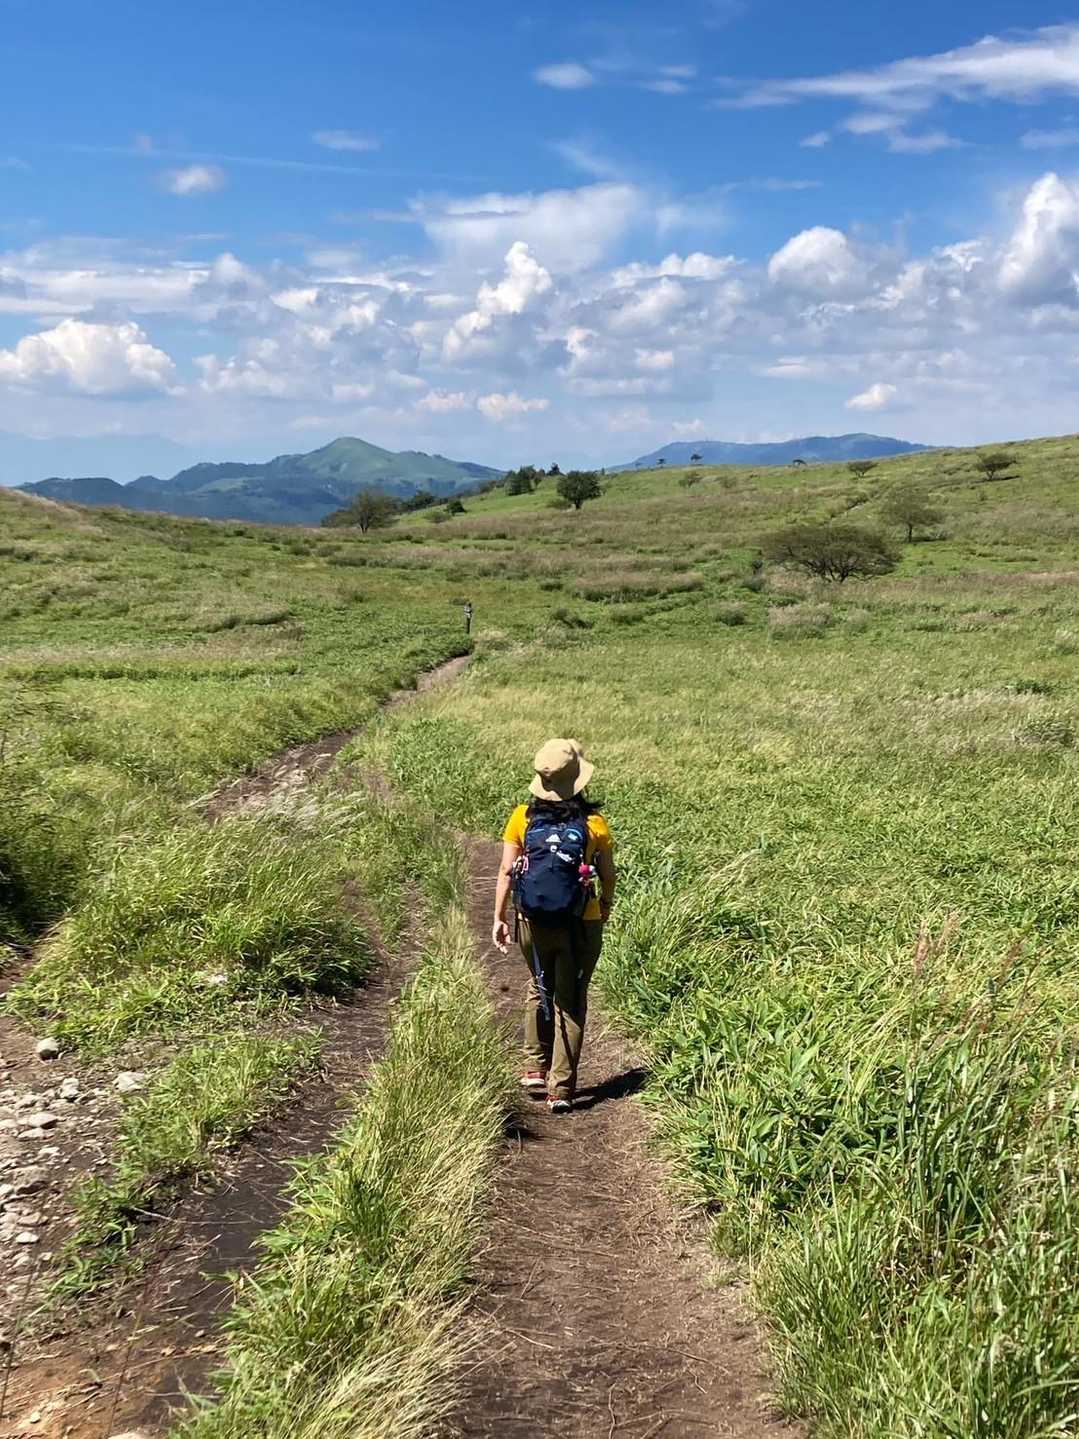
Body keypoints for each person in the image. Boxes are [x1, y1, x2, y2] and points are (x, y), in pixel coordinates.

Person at [492, 738, 616, 1114]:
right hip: (580, 921)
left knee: (538, 983)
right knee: (571, 997)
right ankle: (560, 1087)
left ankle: (534, 1067)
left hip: (531, 919)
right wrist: (604, 906)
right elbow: (608, 876)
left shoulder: (522, 817)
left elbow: (506, 870)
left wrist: (499, 917)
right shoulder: (594, 824)